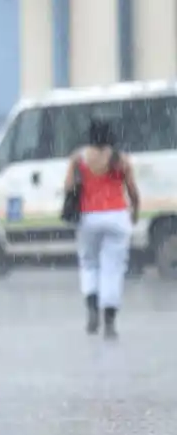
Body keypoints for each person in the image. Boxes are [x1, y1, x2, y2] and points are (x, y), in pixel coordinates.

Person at [64, 119, 141, 338]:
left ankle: (92, 310)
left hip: (89, 217)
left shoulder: (79, 158)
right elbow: (133, 191)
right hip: (117, 216)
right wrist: (134, 212)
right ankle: (109, 321)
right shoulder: (121, 160)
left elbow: (68, 187)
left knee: (89, 264)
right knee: (113, 268)